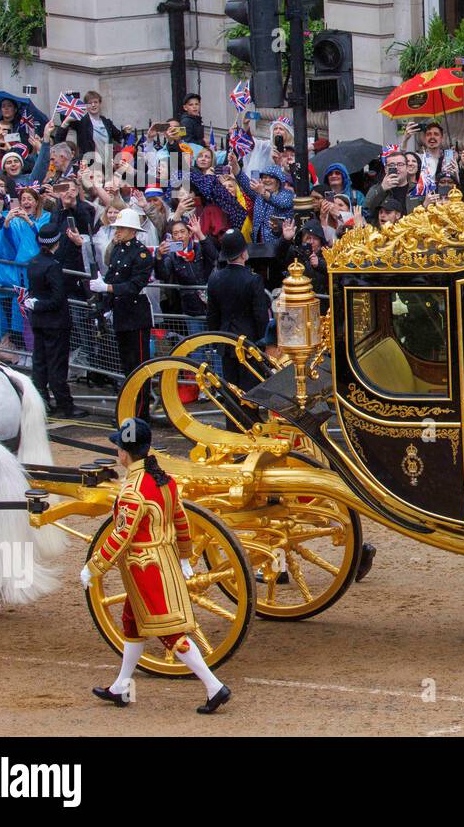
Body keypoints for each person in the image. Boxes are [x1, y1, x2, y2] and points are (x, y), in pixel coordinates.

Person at [83, 417, 232, 714]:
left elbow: (121, 535)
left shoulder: (131, 490)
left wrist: (94, 566)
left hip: (144, 568)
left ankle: (214, 687)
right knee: (132, 623)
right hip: (162, 561)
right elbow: (181, 521)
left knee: (172, 634)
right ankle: (121, 687)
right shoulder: (164, 480)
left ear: (125, 453)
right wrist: (184, 556)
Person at [88, 209, 155, 420]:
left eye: (122, 228)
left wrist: (107, 289)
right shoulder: (117, 250)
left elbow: (134, 285)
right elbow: (113, 276)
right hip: (121, 314)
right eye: (117, 227)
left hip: (136, 315)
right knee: (127, 367)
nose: (117, 231)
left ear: (132, 231)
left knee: (140, 367)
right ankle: (129, 409)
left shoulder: (142, 254)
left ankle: (141, 414)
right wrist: (104, 303)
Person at [25, 221, 88, 418]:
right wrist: (38, 304)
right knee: (56, 365)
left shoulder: (34, 262)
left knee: (40, 363)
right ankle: (65, 405)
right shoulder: (52, 266)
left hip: (40, 321)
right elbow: (57, 298)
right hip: (55, 322)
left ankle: (42, 400)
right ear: (56, 243)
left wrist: (35, 304)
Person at [207, 230, 271, 396]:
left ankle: (233, 422)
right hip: (249, 342)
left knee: (231, 391)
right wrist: (264, 341)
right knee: (250, 392)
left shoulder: (215, 279)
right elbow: (260, 315)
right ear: (244, 253)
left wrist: (216, 341)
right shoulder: (252, 279)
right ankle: (249, 422)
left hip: (226, 341)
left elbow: (212, 315)